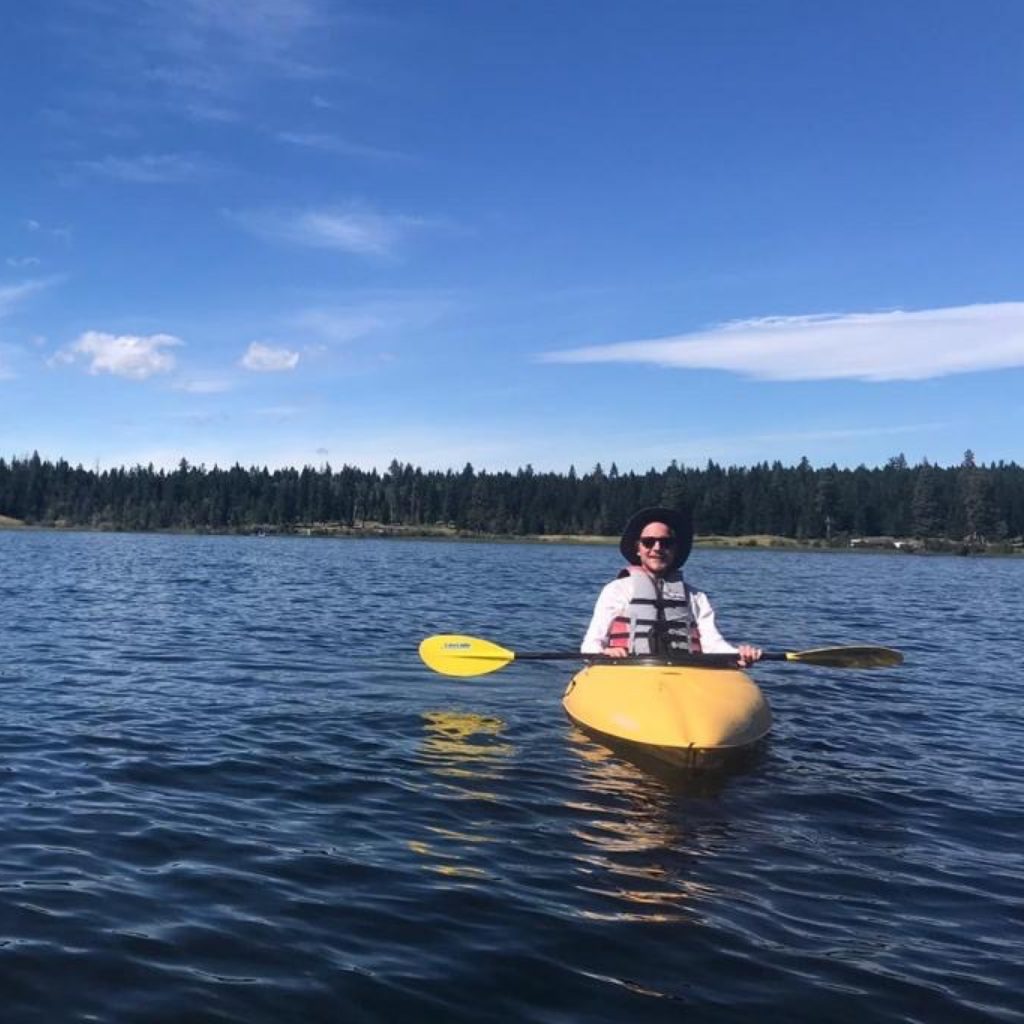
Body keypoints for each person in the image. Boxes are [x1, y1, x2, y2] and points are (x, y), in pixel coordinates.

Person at [581, 506, 763, 667]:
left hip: (684, 674)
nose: (657, 548)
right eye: (648, 542)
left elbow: (712, 643)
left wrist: (736, 655)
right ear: (638, 548)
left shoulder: (695, 597)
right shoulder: (617, 590)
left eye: (666, 543)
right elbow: (591, 643)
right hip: (630, 671)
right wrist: (604, 653)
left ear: (675, 550)